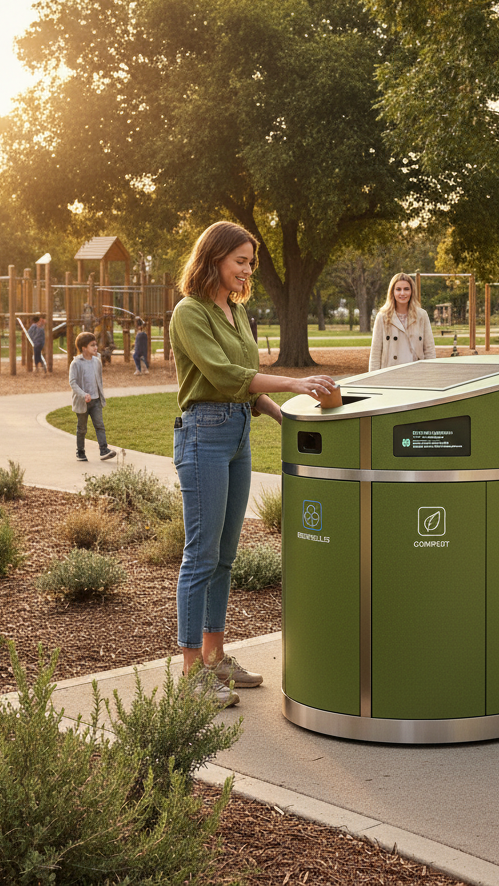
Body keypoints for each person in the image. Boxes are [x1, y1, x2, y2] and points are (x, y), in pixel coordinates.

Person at [170, 220, 336, 706]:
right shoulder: (190, 312)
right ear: (214, 259)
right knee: (200, 554)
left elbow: (245, 385)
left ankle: (216, 657)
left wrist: (282, 416)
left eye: (250, 263)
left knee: (225, 554)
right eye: (240, 262)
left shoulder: (236, 313)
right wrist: (291, 383)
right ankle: (190, 672)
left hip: (238, 431)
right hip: (204, 433)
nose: (247, 271)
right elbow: (224, 375)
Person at [368, 273, 436, 371]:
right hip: (390, 375)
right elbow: (375, 354)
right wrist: (373, 380)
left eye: (406, 289)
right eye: (398, 289)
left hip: (417, 374)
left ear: (412, 291)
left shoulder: (422, 316)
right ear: (392, 292)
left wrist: (431, 374)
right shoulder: (382, 317)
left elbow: (429, 350)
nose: (402, 293)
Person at [68, 332, 118, 463]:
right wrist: (83, 394)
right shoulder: (76, 363)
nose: (96, 347)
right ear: (84, 348)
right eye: (92, 345)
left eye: (95, 345)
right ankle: (80, 452)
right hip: (82, 402)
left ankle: (103, 450)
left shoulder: (97, 361)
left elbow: (99, 380)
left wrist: (99, 395)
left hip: (96, 401)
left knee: (100, 425)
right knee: (82, 428)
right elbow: (73, 382)